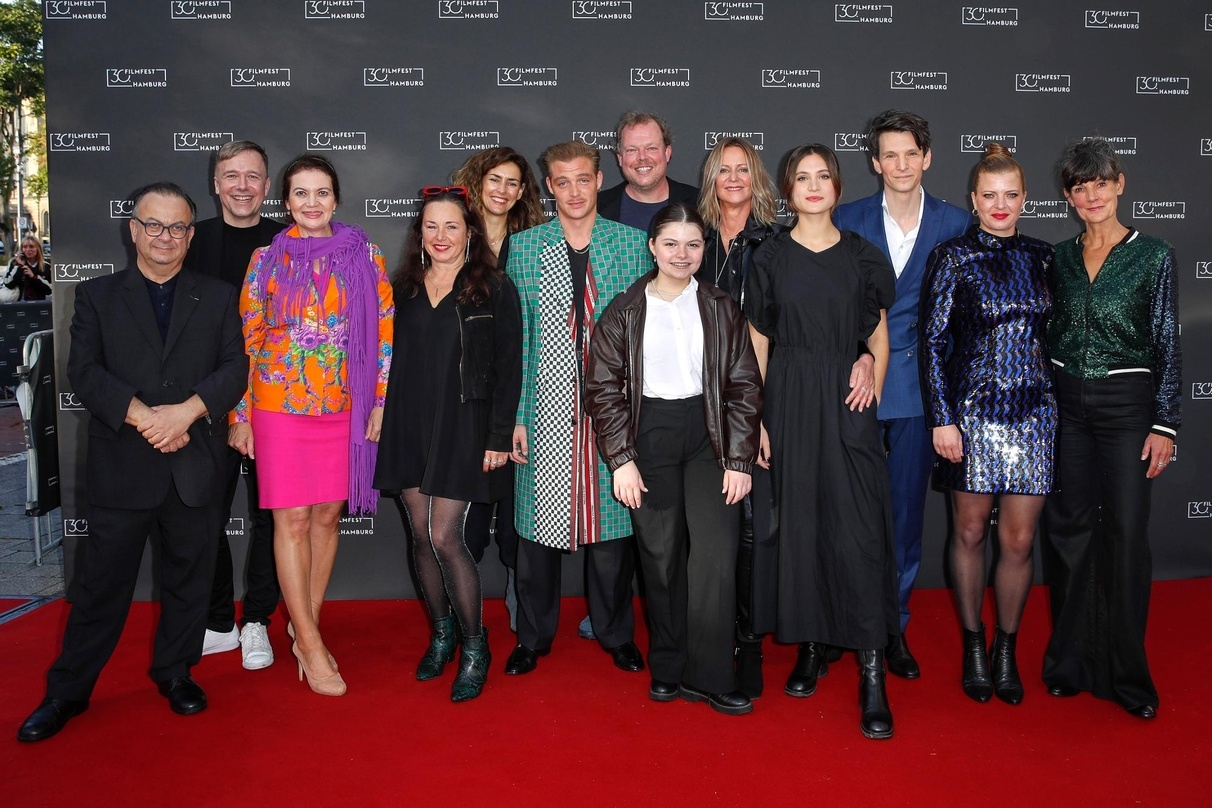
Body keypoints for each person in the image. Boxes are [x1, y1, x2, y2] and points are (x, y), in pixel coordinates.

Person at [17, 182, 248, 742]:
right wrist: (149, 418)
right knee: (99, 587)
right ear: (133, 229)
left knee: (189, 582)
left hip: (193, 464)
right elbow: (86, 374)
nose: (163, 237)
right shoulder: (97, 296)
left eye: (176, 227)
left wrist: (185, 415)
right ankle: (67, 692)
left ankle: (176, 672)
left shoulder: (218, 297)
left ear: (190, 236)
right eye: (153, 225)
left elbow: (235, 368)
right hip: (124, 466)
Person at [746, 144, 898, 740]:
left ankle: (871, 669)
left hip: (844, 399)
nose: (813, 187)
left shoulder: (862, 255)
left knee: (857, 530)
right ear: (789, 189)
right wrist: (756, 417)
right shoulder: (771, 255)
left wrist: (869, 376)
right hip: (785, 399)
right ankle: (811, 644)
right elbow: (758, 339)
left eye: (823, 177)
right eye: (801, 178)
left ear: (838, 186)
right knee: (801, 526)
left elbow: (879, 338)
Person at [228, 154, 394, 697]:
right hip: (278, 405)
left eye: (322, 192)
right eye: (301, 193)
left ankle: (307, 631)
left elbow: (384, 335)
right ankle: (311, 641)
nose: (312, 203)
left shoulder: (366, 256)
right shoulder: (265, 261)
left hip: (343, 405)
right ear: (287, 201)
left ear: (336, 199)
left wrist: (379, 402)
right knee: (292, 520)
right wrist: (240, 413)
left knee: (326, 516)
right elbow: (246, 343)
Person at [587, 203, 762, 714]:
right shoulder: (623, 309)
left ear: (703, 250)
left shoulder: (721, 305)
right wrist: (621, 459)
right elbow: (602, 390)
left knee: (714, 558)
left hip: (709, 440)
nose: (682, 254)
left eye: (693, 245)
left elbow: (744, 384)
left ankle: (709, 674)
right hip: (651, 439)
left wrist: (739, 458)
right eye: (671, 243)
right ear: (652, 247)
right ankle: (668, 666)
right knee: (660, 562)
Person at [1041, 137, 1181, 721]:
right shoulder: (1059, 257)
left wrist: (1165, 423)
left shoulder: (1154, 255)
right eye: (1079, 186)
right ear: (1068, 196)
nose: (1091, 195)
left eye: (1100, 183)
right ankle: (1069, 663)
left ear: (1119, 184)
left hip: (1128, 406)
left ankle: (1127, 674)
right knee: (1069, 533)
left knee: (1125, 533)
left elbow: (1168, 339)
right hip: (1067, 405)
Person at [503, 140, 650, 676]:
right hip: (542, 406)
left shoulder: (633, 244)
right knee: (535, 533)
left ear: (599, 178)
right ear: (548, 186)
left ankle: (615, 633)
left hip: (612, 408)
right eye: (561, 182)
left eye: (582, 179)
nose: (573, 191)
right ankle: (532, 637)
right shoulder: (524, 247)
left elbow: (643, 335)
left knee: (612, 527)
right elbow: (516, 340)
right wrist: (516, 415)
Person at [833, 110, 970, 679]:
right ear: (874, 163)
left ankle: (894, 627)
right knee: (850, 513)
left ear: (927, 158)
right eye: (889, 155)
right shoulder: (845, 217)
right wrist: (857, 357)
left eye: (910, 153)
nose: (901, 164)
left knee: (904, 516)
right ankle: (846, 622)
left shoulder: (957, 222)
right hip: (856, 387)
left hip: (921, 394)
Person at [920, 144, 1056, 705]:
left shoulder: (1046, 257)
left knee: (1019, 539)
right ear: (974, 200)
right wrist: (943, 420)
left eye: (1011, 195)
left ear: (1024, 198)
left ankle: (1006, 647)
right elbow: (930, 341)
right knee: (971, 532)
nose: (1001, 205)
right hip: (973, 410)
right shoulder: (952, 256)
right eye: (990, 195)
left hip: (1036, 411)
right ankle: (974, 644)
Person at [374, 187, 522, 702]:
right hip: (408, 422)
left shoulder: (494, 288)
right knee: (417, 532)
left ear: (470, 233)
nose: (440, 237)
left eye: (451, 227)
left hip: (466, 424)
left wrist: (500, 436)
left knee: (444, 538)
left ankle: (475, 645)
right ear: (420, 234)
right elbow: (384, 359)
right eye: (431, 228)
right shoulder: (402, 290)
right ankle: (442, 634)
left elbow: (510, 368)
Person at [184, 140, 286, 669]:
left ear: (267, 187)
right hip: (206, 407)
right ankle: (219, 620)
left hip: (274, 405)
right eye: (231, 175)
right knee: (205, 516)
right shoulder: (189, 242)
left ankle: (258, 622)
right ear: (216, 183)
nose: (242, 185)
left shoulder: (290, 242)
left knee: (272, 517)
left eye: (253, 176)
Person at [450, 146, 544, 630]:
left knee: (514, 510)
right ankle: (457, 616)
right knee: (460, 513)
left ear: (523, 191)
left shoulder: (532, 242)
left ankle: (517, 604)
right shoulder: (451, 236)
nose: (503, 190)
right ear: (477, 181)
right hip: (465, 394)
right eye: (495, 180)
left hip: (517, 388)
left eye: (513, 182)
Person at [598, 110, 700, 234]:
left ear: (667, 153)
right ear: (620, 158)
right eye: (631, 150)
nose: (642, 157)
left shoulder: (700, 204)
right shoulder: (596, 208)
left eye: (651, 148)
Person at [2, 236, 53, 301]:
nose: (28, 250)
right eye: (25, 247)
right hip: (18, 303)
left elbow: (49, 290)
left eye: (31, 246)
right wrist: (19, 267)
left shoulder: (46, 266)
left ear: (38, 249)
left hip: (38, 304)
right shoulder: (14, 263)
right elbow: (8, 284)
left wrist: (34, 277)